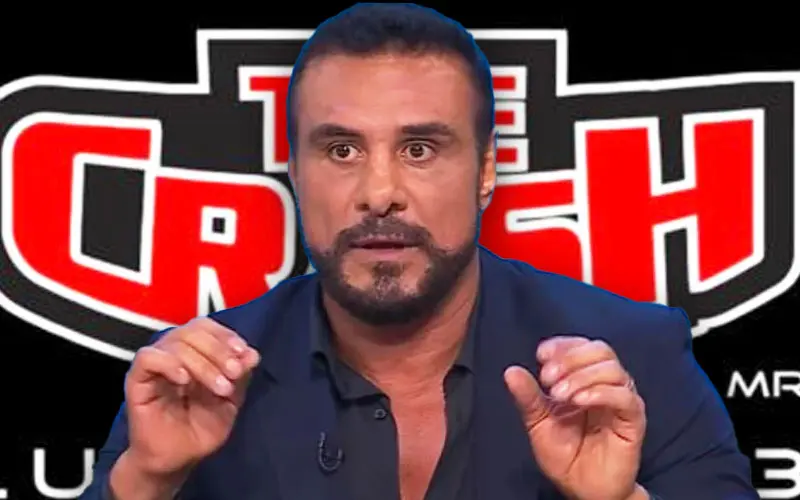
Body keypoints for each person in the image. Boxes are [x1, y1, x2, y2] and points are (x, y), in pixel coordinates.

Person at [79, 3, 758, 499]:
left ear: (486, 170)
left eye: (420, 149)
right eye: (341, 151)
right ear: (294, 172)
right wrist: (147, 481)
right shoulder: (196, 379)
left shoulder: (632, 359)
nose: (380, 193)